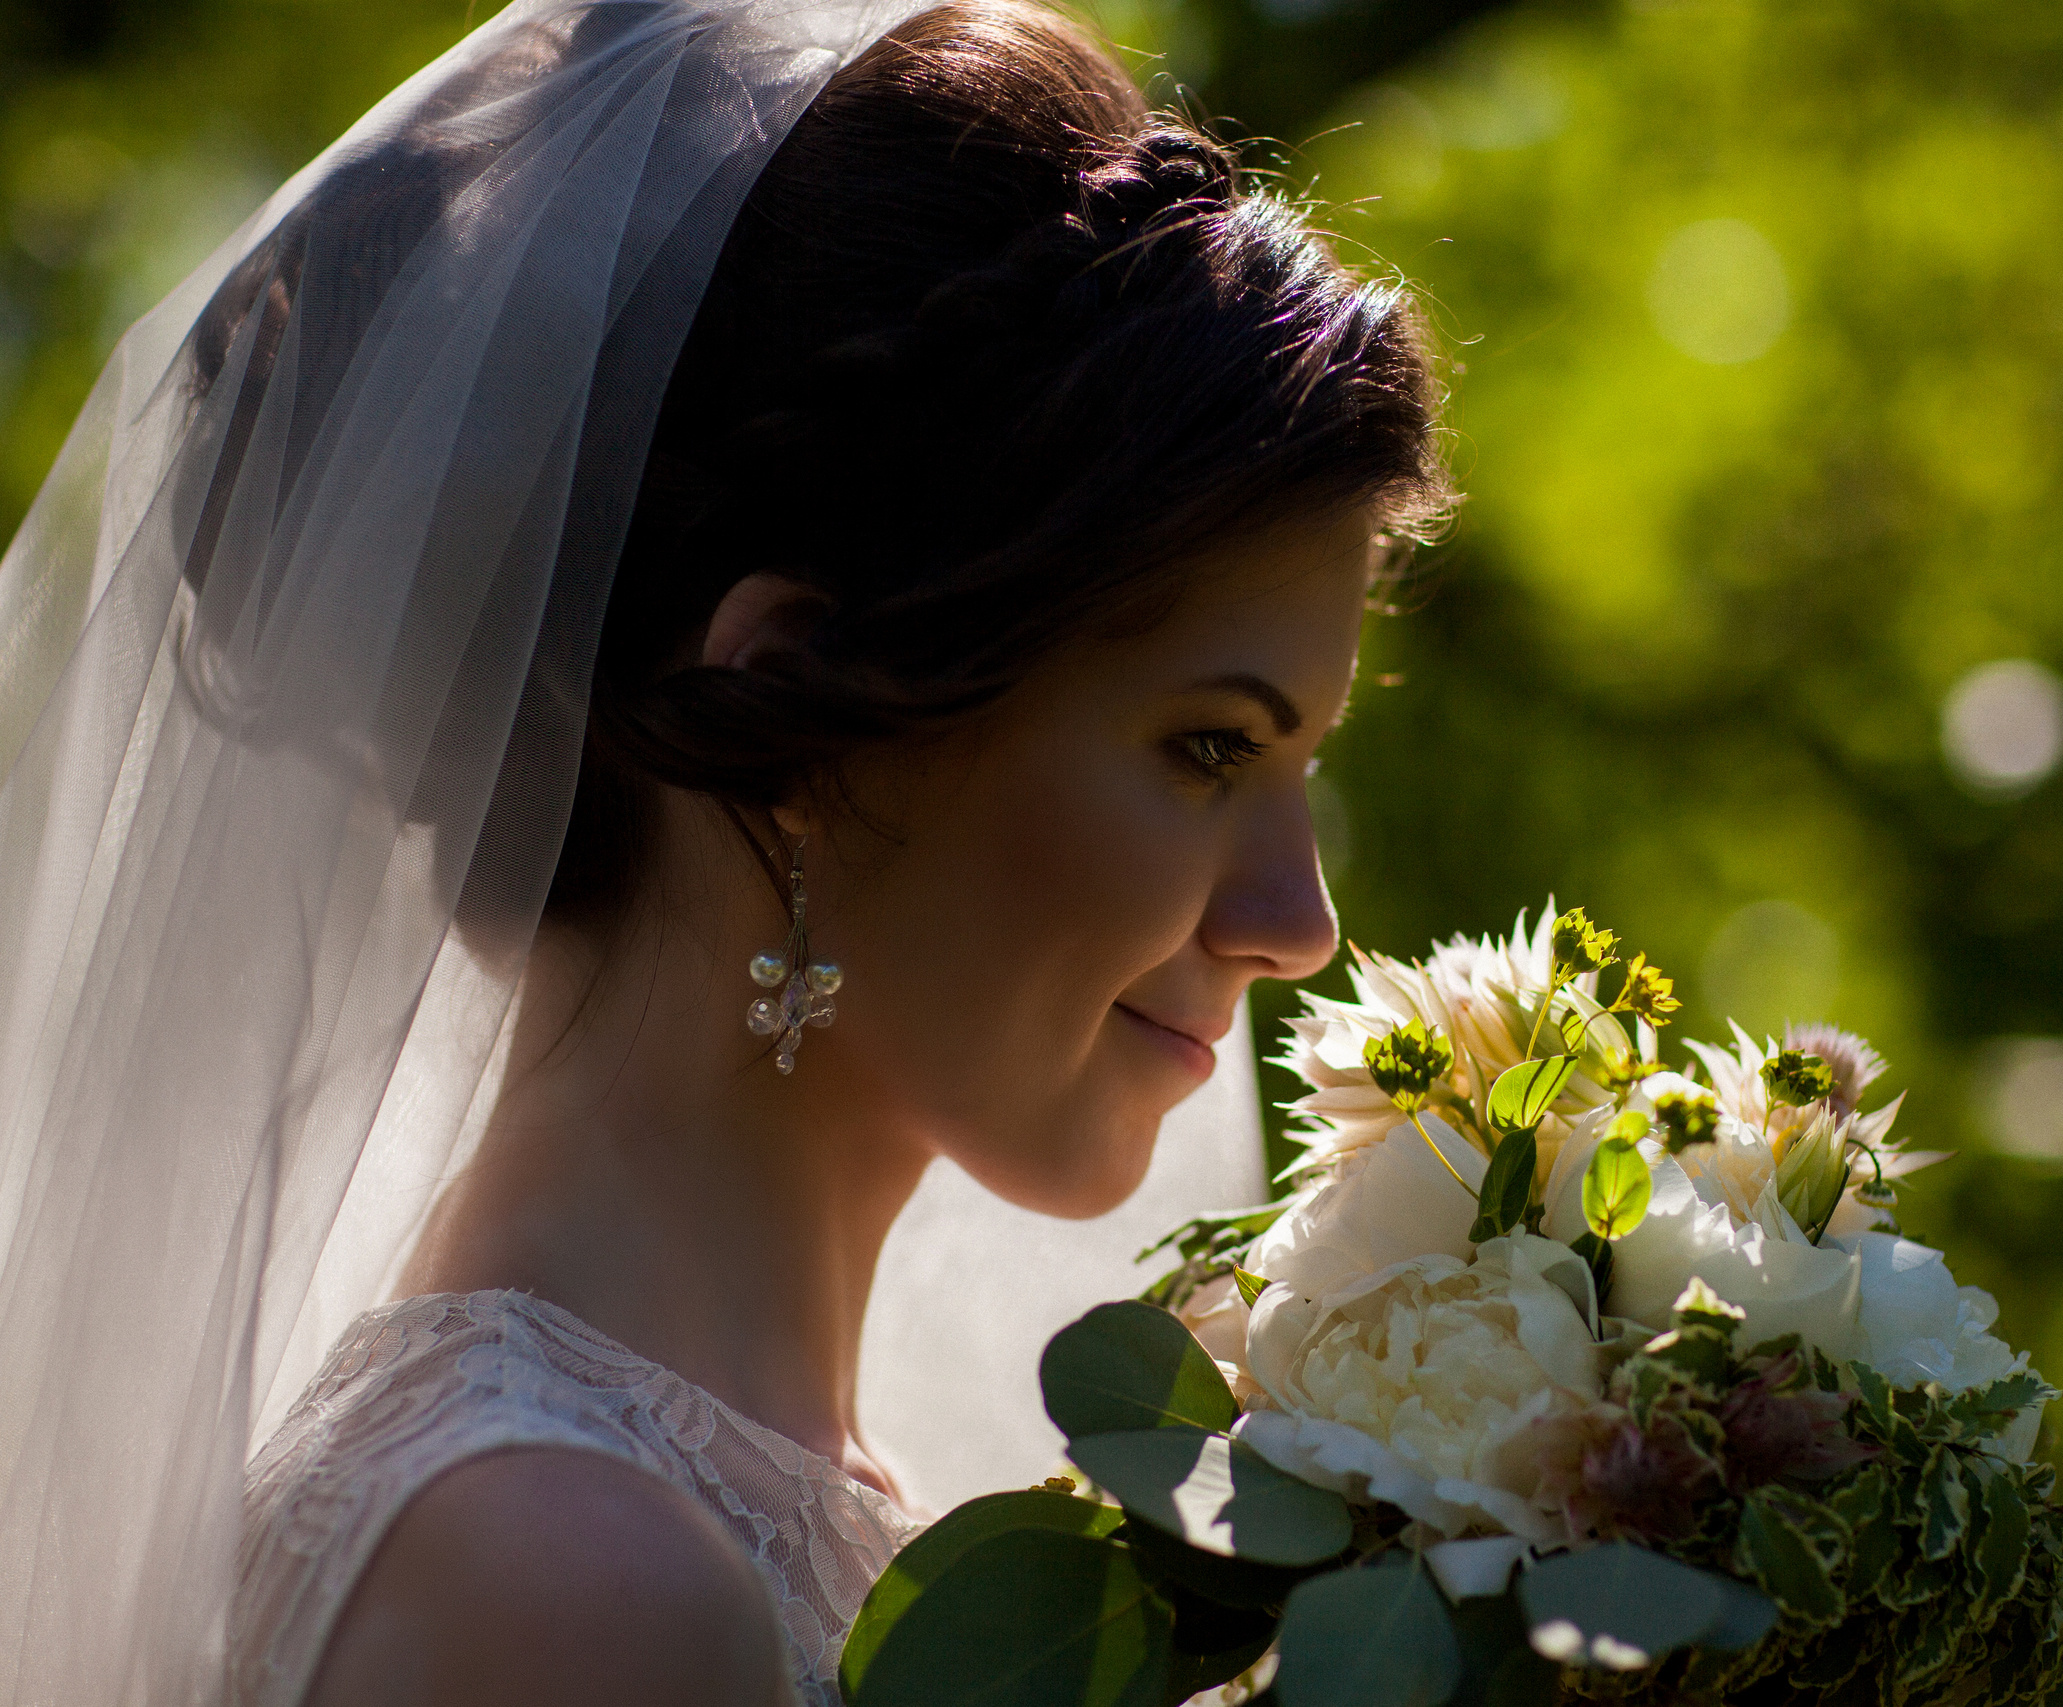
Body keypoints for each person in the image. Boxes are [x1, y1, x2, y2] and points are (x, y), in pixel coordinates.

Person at [0, 1, 1449, 1703]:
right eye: (1210, 747)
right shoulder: (561, 1588)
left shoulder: (824, 1528)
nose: (1304, 923)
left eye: (1301, 765)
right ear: (794, 728)